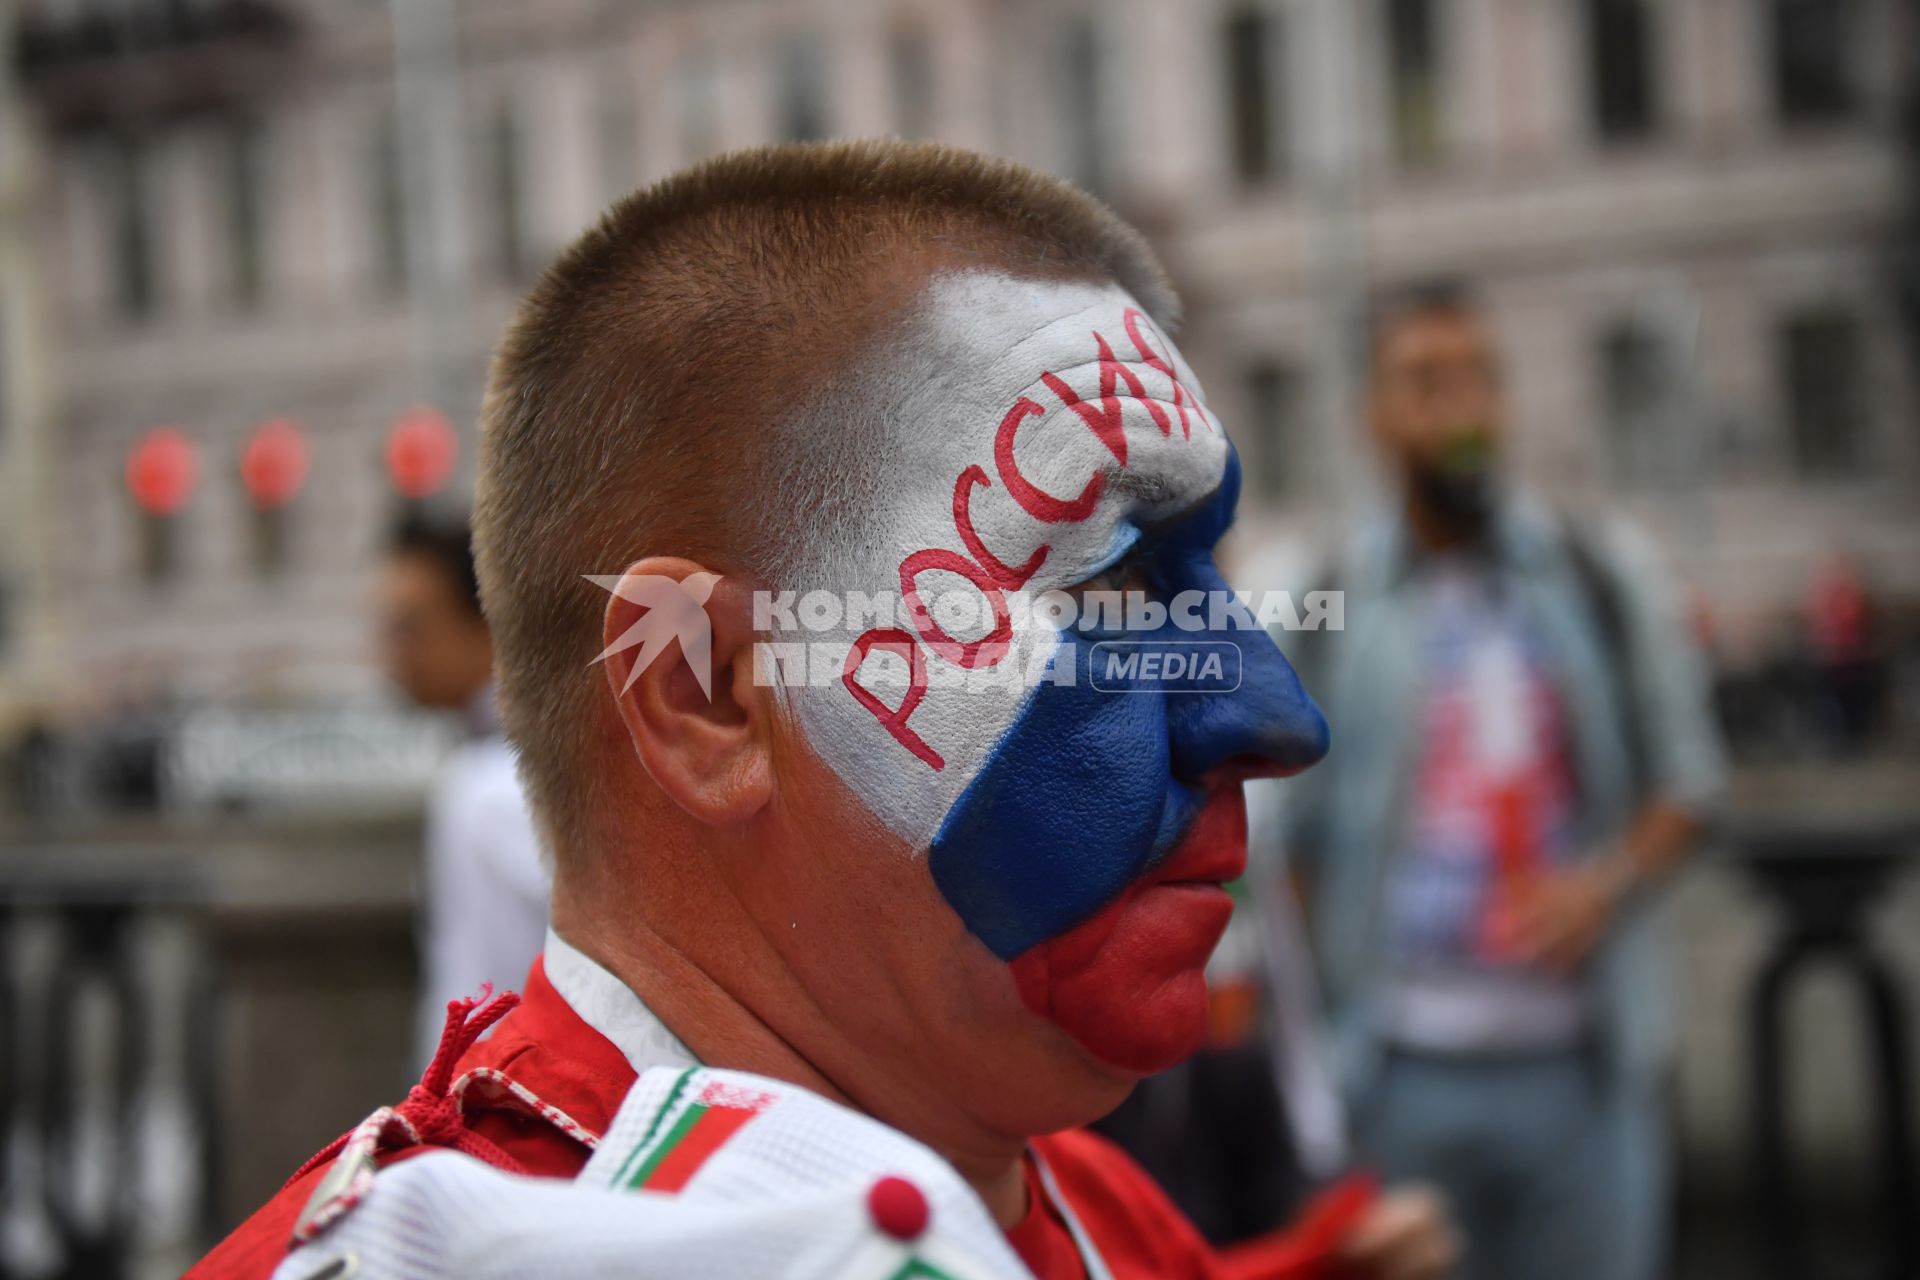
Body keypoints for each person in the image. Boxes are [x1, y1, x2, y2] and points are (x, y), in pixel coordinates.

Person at [190, 142, 1454, 1280]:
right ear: (708, 695)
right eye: (1113, 580)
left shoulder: (1068, 1191)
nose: (1272, 714)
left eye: (1204, 577)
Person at [1280, 284, 1726, 1280]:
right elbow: (1289, 836)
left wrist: (1600, 885)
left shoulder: (1597, 570)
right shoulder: (1324, 595)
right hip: (1393, 1075)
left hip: (1586, 1075)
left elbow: (1689, 781)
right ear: (1373, 414)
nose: (1461, 411)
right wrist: (1316, 1046)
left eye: (1480, 378)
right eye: (1426, 383)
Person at [380, 514, 547, 1067]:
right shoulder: (506, 765)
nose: (392, 654)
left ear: (484, 622)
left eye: (411, 627)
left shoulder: (487, 789)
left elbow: (477, 984)